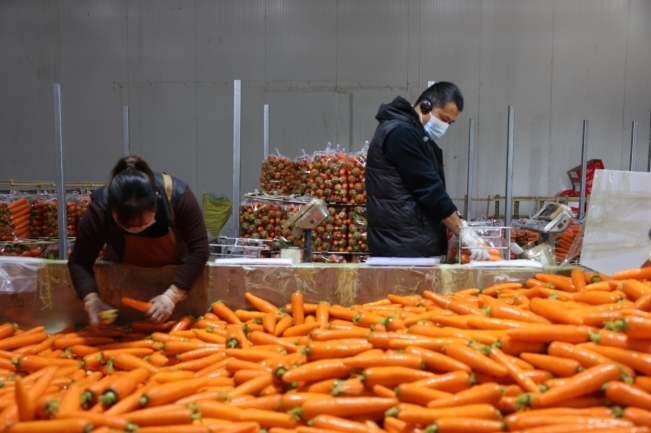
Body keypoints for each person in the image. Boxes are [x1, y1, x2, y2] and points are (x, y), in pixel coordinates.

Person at [68, 156, 210, 326]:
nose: (135, 229)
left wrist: (172, 296)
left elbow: (200, 250)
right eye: (126, 225)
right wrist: (92, 301)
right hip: (122, 280)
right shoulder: (99, 209)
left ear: (156, 200)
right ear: (112, 209)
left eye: (142, 223)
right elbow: (79, 261)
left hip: (177, 278)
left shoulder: (178, 195)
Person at [366, 82, 489, 260]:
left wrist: (459, 221)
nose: (444, 126)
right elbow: (429, 189)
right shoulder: (402, 134)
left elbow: (432, 186)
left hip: (405, 243)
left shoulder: (413, 134)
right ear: (426, 106)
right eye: (443, 119)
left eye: (450, 123)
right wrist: (461, 230)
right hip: (403, 247)